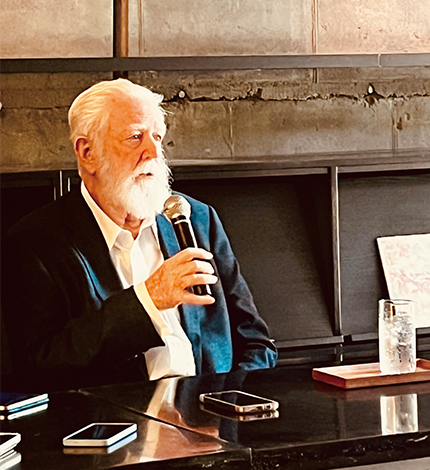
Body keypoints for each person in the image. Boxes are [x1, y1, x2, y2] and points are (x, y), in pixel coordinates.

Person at [1, 79, 277, 392]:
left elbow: (256, 342)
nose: (154, 152)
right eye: (135, 137)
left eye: (157, 136)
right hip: (117, 418)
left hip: (212, 409)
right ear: (87, 153)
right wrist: (148, 299)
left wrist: (228, 402)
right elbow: (40, 367)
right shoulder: (36, 242)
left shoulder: (197, 219)